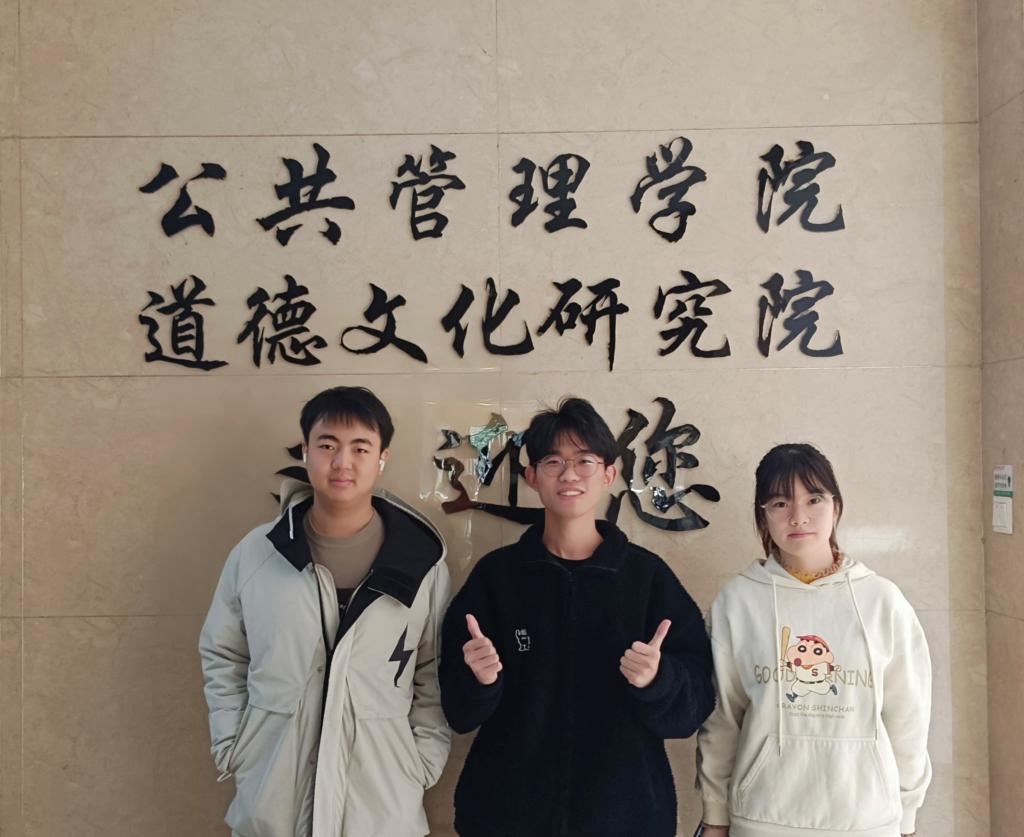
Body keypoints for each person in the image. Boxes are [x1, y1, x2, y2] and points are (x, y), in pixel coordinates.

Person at [439, 396, 715, 837]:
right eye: (553, 462)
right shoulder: (497, 577)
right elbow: (457, 711)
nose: (569, 475)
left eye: (584, 461)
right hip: (506, 817)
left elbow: (692, 710)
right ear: (532, 476)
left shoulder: (646, 578)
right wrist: (480, 681)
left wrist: (658, 680)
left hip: (625, 819)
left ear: (608, 474)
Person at [199, 386, 451, 837]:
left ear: (382, 457)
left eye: (360, 448)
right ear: (306, 450)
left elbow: (434, 670)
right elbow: (224, 653)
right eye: (328, 445)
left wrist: (419, 764)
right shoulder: (258, 555)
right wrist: (234, 745)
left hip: (381, 804)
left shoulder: (420, 564)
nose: (342, 462)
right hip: (272, 797)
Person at [697, 443, 931, 837]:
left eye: (814, 499)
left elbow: (909, 717)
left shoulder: (881, 601)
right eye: (780, 503)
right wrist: (715, 814)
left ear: (836, 507)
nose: (799, 516)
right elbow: (722, 720)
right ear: (763, 515)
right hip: (763, 819)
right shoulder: (737, 602)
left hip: (866, 821)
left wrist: (907, 814)